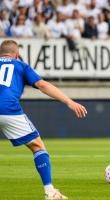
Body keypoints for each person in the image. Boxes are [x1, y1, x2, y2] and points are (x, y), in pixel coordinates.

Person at [0, 40, 87, 200]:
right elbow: (42, 84)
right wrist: (69, 101)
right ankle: (50, 192)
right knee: (38, 146)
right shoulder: (20, 65)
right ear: (17, 54)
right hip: (7, 109)